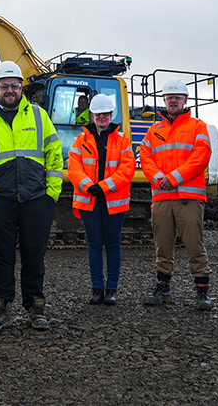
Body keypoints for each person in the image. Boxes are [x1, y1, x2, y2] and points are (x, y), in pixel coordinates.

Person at [0, 61, 63, 331]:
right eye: (4, 85)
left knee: (34, 254)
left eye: (14, 85)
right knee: (0, 254)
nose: (9, 89)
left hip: (36, 199)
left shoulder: (38, 115)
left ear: (21, 87)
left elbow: (55, 154)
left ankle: (35, 304)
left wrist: (52, 193)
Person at [140, 78, 213, 310]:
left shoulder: (197, 127)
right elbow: (146, 156)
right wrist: (157, 178)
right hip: (162, 198)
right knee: (162, 245)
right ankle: (163, 288)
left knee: (194, 244)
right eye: (169, 98)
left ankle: (202, 291)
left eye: (177, 98)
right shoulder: (154, 130)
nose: (173, 101)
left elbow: (200, 158)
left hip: (188, 198)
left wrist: (172, 179)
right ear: (164, 100)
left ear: (185, 100)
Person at [68, 94, 135, 305]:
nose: (102, 117)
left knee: (113, 245)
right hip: (89, 200)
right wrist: (89, 186)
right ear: (93, 115)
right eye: (98, 114)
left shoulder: (123, 139)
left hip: (112, 200)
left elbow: (127, 168)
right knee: (94, 245)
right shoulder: (81, 140)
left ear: (111, 114)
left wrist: (103, 187)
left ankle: (111, 289)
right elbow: (74, 168)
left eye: (105, 114)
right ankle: (97, 289)